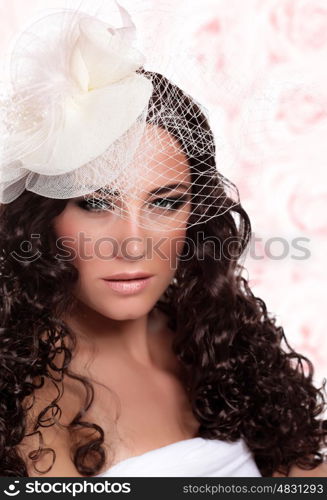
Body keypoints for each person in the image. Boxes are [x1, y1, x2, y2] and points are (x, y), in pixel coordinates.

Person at [0, 5, 326, 478]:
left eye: (165, 202)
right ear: (44, 219)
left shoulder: (219, 338)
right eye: (96, 205)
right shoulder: (33, 394)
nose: (133, 246)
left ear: (195, 215)